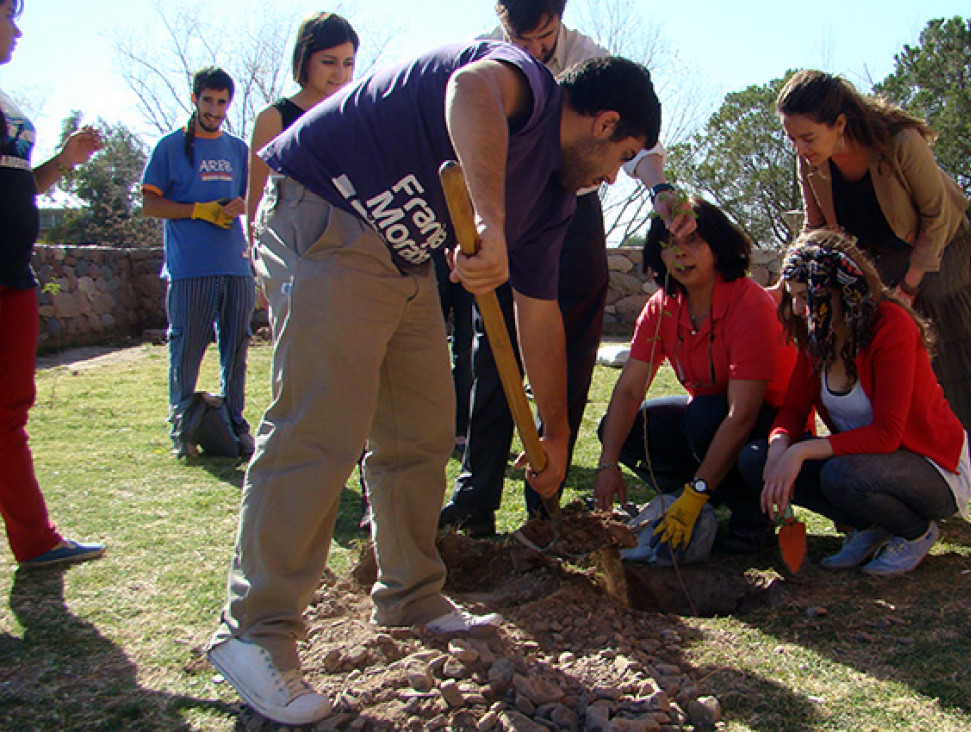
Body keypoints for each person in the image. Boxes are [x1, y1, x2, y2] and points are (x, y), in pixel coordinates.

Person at [205, 41, 660, 726]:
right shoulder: (527, 85)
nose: (618, 176)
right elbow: (468, 90)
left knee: (419, 430)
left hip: (402, 257)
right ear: (603, 123)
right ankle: (255, 632)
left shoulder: (555, 202)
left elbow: (538, 316)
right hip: (327, 207)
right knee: (321, 424)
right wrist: (489, 223)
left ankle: (409, 592)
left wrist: (556, 431)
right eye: (624, 155)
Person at [440, 0, 691, 536]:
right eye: (519, 37)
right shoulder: (490, 53)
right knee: (497, 339)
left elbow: (636, 143)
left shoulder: (590, 59)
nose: (531, 50)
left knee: (571, 341)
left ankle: (545, 489)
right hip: (506, 204)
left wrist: (661, 191)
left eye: (543, 37)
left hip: (572, 205)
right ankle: (475, 492)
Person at [777, 69, 971, 494]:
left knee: (947, 360)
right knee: (890, 369)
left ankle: (963, 477)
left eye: (807, 138)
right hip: (878, 264)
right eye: (791, 139)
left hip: (941, 253)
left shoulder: (900, 143)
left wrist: (909, 288)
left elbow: (937, 216)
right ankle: (895, 476)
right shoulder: (812, 162)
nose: (800, 150)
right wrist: (793, 275)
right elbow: (816, 225)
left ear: (839, 123)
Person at [738, 230, 971, 575]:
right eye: (793, 298)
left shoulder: (892, 327)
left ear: (842, 292)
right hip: (862, 462)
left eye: (807, 296)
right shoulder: (816, 334)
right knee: (754, 460)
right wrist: (778, 448)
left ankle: (915, 532)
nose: (800, 310)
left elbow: (887, 435)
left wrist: (799, 452)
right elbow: (792, 410)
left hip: (930, 466)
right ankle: (869, 526)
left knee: (839, 474)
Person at [594, 200, 795, 554]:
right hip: (710, 418)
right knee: (622, 429)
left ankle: (750, 516)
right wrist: (607, 463)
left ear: (719, 247)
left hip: (772, 433)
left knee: (704, 417)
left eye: (694, 241)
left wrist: (695, 494)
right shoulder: (661, 306)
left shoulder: (750, 305)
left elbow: (742, 415)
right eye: (669, 244)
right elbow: (628, 391)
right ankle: (706, 497)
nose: (681, 253)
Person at [0, 0, 105, 568]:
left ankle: (35, 541)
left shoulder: (8, 105)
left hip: (14, 278)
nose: (17, 31)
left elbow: (21, 186)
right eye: (7, 15)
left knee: (10, 413)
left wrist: (64, 162)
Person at [141, 67, 256, 459]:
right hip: (191, 267)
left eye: (222, 102)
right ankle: (182, 428)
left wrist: (243, 204)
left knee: (236, 348)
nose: (214, 109)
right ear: (194, 99)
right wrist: (197, 210)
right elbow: (149, 203)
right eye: (208, 100)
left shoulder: (239, 149)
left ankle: (234, 425)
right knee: (187, 347)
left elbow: (256, 198)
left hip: (236, 265)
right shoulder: (170, 147)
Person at [246, 12, 359, 267]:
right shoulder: (273, 118)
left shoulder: (356, 116)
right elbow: (257, 201)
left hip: (351, 256)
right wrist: (257, 264)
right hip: (291, 255)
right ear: (305, 59)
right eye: (329, 62)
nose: (340, 73)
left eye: (348, 63)